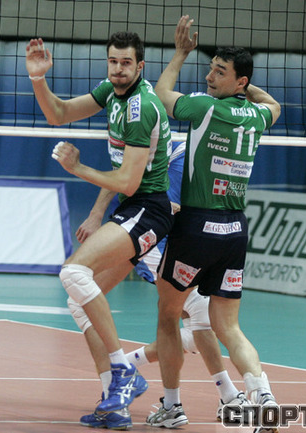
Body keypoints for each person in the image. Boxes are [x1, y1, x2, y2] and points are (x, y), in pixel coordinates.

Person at [26, 32, 174, 429]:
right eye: (113, 61)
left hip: (149, 210)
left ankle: (124, 369)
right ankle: (115, 402)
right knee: (79, 301)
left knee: (74, 272)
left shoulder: (141, 109)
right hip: (133, 209)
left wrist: (77, 168)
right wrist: (39, 78)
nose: (118, 69)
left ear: (140, 66)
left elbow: (127, 182)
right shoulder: (111, 91)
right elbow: (58, 113)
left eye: (126, 63)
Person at [146, 16, 282, 432]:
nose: (209, 77)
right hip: (235, 231)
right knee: (229, 326)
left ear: (239, 81)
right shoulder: (257, 117)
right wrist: (244, 87)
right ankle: (264, 398)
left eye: (220, 72)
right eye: (210, 68)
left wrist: (180, 54)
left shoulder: (205, 108)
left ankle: (172, 407)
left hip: (197, 226)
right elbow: (274, 105)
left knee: (169, 315)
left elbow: (161, 94)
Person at [76, 139, 247, 427]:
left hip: (168, 237)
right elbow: (123, 174)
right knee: (198, 315)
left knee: (198, 318)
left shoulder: (191, 155)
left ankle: (128, 380)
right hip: (148, 233)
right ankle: (130, 388)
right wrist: (95, 215)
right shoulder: (168, 146)